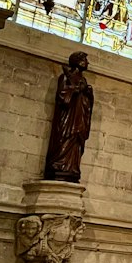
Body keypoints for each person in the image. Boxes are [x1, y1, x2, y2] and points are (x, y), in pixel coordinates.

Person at [43, 51, 94, 182]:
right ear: (77, 61)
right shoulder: (65, 77)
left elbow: (86, 101)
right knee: (65, 139)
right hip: (67, 118)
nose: (87, 63)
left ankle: (72, 168)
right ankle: (59, 165)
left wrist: (88, 93)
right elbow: (62, 97)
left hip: (79, 117)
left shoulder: (83, 80)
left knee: (76, 142)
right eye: (85, 60)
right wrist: (77, 90)